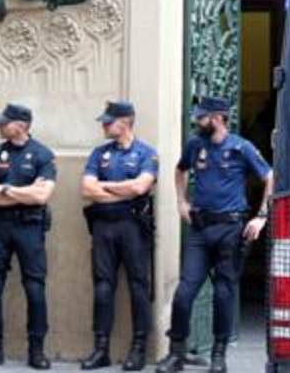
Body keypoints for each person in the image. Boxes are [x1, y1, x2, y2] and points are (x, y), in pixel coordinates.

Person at [155, 96, 273, 373]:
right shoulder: (196, 145)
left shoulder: (242, 148)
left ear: (218, 118)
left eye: (202, 117)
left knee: (223, 294)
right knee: (184, 293)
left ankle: (219, 355)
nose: (197, 120)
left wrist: (262, 217)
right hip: (199, 229)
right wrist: (181, 201)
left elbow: (270, 176)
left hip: (231, 230)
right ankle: (177, 353)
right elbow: (179, 170)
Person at [0, 103, 57, 370]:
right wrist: (22, 192)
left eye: (5, 122)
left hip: (29, 227)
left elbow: (42, 196)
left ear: (21, 125)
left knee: (34, 287)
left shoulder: (42, 154)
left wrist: (5, 190)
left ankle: (36, 350)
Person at [79, 101, 160, 371]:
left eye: (108, 121)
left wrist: (104, 186)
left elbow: (140, 187)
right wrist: (119, 191)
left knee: (138, 286)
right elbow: (87, 190)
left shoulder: (147, 153)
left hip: (133, 226)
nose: (103, 125)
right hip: (103, 227)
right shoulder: (99, 154)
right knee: (103, 286)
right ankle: (100, 349)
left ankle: (138, 349)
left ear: (125, 122)